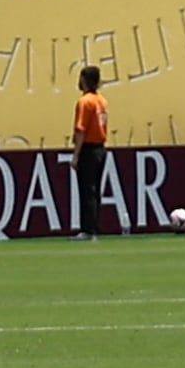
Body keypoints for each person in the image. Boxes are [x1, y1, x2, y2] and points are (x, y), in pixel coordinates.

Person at [70, 64, 113, 238]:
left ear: (84, 80)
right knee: (95, 191)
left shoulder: (84, 102)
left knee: (86, 189)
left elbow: (81, 130)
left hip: (88, 149)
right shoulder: (102, 101)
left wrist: (76, 155)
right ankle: (94, 226)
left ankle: (87, 229)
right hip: (100, 148)